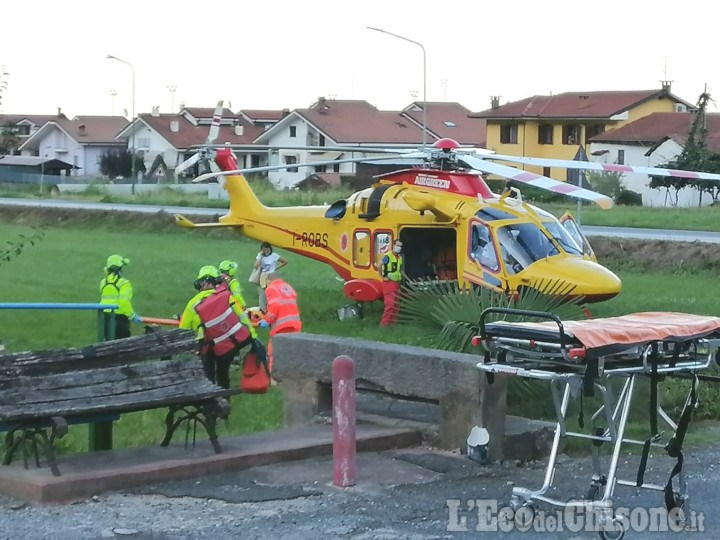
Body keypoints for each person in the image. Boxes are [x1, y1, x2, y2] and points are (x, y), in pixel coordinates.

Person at [179, 265, 266, 389]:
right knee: (223, 373)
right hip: (228, 343)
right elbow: (242, 318)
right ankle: (225, 399)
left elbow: (183, 329)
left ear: (202, 283)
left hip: (206, 345)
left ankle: (211, 401)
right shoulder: (226, 296)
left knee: (209, 375)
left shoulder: (193, 303)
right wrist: (253, 336)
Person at [258, 272, 301, 374]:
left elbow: (275, 306)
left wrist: (267, 321)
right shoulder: (288, 287)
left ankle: (274, 377)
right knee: (291, 350)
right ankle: (291, 373)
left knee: (274, 351)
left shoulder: (271, 288)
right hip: (295, 323)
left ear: (269, 280)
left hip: (281, 325)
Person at [99, 254, 141, 339]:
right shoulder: (124, 283)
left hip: (104, 318)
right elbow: (124, 302)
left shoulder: (103, 283)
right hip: (119, 320)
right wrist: (132, 316)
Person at [253, 242, 287, 312]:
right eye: (264, 249)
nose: (265, 250)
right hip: (262, 277)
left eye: (266, 248)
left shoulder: (274, 255)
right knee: (262, 296)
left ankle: (273, 311)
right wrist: (260, 258)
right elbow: (256, 266)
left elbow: (284, 262)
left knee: (272, 295)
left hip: (272, 277)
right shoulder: (260, 255)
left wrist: (276, 268)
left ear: (269, 249)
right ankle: (263, 312)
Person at [379, 239, 404, 326]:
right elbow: (379, 264)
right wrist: (382, 277)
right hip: (389, 282)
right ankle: (384, 323)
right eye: (397, 245)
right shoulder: (388, 256)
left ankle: (393, 323)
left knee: (396, 304)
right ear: (393, 245)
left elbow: (399, 270)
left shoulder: (399, 258)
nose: (399, 248)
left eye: (400, 246)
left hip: (397, 282)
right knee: (390, 304)